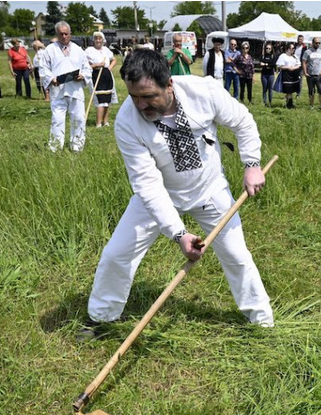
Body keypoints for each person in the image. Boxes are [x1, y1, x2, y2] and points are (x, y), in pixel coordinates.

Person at [83, 49, 274, 338]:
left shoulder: (204, 91)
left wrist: (251, 164)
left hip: (210, 189)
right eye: (134, 96)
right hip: (161, 194)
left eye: (148, 96)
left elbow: (242, 122)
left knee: (236, 255)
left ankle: (261, 322)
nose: (140, 105)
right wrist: (178, 233)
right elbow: (146, 184)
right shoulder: (126, 121)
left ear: (169, 84)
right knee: (116, 254)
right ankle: (102, 319)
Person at [38, 21, 92, 152]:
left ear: (70, 34)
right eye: (61, 34)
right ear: (57, 34)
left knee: (79, 118)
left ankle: (77, 146)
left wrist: (83, 75)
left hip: (75, 89)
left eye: (66, 34)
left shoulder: (79, 50)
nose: (64, 36)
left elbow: (87, 68)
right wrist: (52, 78)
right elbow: (43, 68)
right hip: (58, 91)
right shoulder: (50, 50)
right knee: (57, 119)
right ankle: (55, 146)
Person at [85, 31, 118, 128]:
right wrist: (97, 65)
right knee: (100, 100)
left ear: (103, 40)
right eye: (96, 39)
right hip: (96, 75)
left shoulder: (106, 50)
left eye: (100, 39)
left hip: (106, 75)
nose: (98, 40)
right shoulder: (89, 51)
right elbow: (85, 64)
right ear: (94, 40)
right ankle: (98, 123)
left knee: (107, 100)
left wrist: (108, 68)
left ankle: (105, 122)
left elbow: (114, 59)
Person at [302, 37, 321, 109]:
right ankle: (311, 105)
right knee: (311, 91)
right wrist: (305, 72)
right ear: (312, 43)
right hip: (310, 75)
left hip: (319, 75)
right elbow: (304, 62)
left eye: (319, 43)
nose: (318, 44)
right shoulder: (307, 52)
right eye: (316, 43)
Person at [276, 43, 301, 109]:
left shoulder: (294, 56)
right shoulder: (283, 56)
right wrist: (288, 67)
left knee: (292, 90)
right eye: (292, 48)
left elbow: (299, 64)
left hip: (294, 75)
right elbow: (279, 65)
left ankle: (288, 102)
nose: (293, 50)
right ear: (288, 49)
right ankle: (290, 104)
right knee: (288, 90)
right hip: (286, 75)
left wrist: (294, 67)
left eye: (294, 48)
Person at [259, 43, 277, 107]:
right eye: (267, 48)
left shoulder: (273, 56)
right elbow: (261, 63)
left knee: (270, 89)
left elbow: (273, 64)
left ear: (271, 49)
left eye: (269, 48)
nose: (268, 50)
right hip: (264, 74)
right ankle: (264, 102)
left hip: (271, 74)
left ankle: (270, 102)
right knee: (264, 89)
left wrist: (265, 64)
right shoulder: (263, 56)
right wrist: (268, 64)